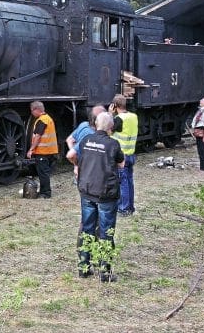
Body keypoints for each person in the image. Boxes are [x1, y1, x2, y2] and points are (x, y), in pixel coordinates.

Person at [75, 112, 125, 282]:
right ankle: (104, 272)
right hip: (105, 194)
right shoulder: (113, 144)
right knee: (106, 232)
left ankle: (84, 267)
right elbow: (121, 163)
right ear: (111, 127)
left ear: (95, 124)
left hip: (87, 191)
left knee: (87, 230)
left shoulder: (85, 141)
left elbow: (78, 157)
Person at [110, 95, 138, 216]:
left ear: (115, 106)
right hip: (131, 154)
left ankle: (124, 208)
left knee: (122, 183)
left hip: (122, 156)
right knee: (129, 182)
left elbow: (107, 131)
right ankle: (130, 207)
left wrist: (109, 114)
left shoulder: (119, 119)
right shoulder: (133, 116)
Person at [25, 101, 59, 199]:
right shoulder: (48, 118)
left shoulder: (42, 120)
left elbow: (38, 136)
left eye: (32, 110)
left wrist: (31, 149)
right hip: (49, 150)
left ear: (37, 110)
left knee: (43, 173)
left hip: (43, 151)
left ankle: (45, 193)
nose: (31, 113)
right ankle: (44, 191)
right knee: (44, 172)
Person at [66, 105, 107, 180]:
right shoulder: (91, 135)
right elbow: (71, 155)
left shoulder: (84, 124)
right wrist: (76, 164)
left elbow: (69, 140)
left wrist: (76, 162)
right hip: (89, 172)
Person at [190, 97, 204, 171]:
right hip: (199, 131)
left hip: (202, 131)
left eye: (202, 101)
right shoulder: (201, 110)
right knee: (200, 151)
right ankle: (202, 167)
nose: (200, 101)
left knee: (202, 151)